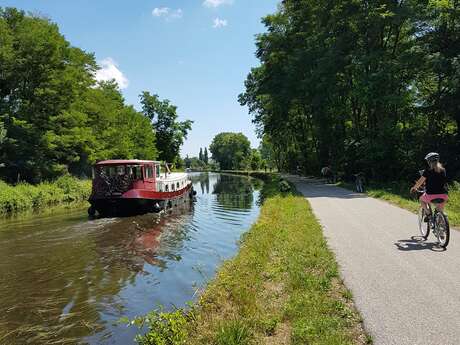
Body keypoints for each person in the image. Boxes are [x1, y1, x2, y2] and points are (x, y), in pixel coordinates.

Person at [410, 152, 448, 220]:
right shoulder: (443, 170)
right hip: (444, 195)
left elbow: (419, 182)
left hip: (430, 195)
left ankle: (428, 214)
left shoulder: (427, 171)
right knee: (440, 210)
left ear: (429, 161)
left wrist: (414, 188)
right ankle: (441, 224)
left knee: (421, 199)